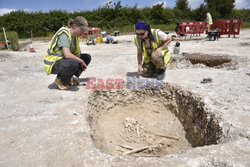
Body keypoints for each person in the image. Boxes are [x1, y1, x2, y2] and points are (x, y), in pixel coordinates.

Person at [44, 16, 91, 90]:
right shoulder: (64, 33)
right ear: (74, 26)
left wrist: (81, 59)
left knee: (86, 57)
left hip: (63, 60)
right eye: (82, 30)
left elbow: (77, 53)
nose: (83, 33)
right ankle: (61, 80)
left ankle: (69, 78)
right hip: (53, 63)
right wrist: (81, 61)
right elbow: (67, 54)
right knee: (74, 62)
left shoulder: (74, 36)